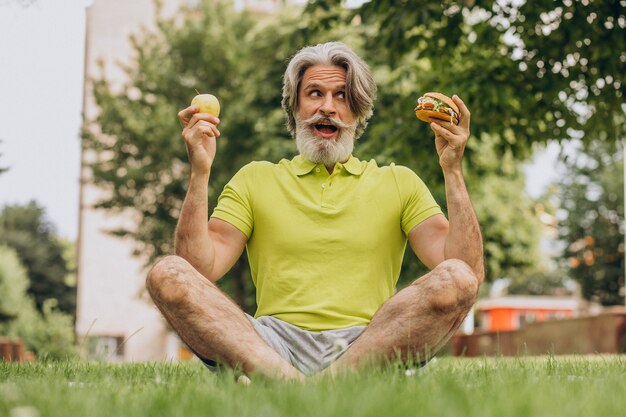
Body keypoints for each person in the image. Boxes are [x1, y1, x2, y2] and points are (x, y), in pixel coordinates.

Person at [146, 41, 484, 380]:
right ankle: (293, 382)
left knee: (456, 278)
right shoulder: (254, 179)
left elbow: (466, 271)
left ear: (358, 110)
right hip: (271, 346)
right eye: (314, 93)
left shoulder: (399, 182)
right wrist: (200, 171)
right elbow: (198, 268)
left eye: (341, 96)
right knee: (168, 273)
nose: (328, 107)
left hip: (367, 344)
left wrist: (452, 169)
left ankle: (315, 385)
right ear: (295, 106)